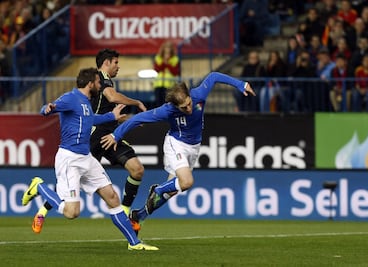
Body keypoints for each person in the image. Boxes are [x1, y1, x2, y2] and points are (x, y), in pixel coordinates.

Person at [21, 68, 158, 251]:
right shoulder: (70, 98)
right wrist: (48, 109)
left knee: (112, 197)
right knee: (72, 212)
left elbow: (90, 119)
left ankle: (135, 243)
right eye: (98, 82)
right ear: (90, 83)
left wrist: (112, 117)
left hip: (86, 158)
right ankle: (39, 187)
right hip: (70, 159)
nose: (100, 85)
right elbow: (49, 108)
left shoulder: (85, 102)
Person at [100, 72, 256, 226]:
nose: (188, 108)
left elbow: (214, 76)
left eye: (189, 103)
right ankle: (158, 189)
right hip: (176, 144)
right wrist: (116, 135)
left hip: (194, 147)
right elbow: (138, 118)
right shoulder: (167, 110)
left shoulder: (198, 95)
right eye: (183, 107)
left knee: (173, 190)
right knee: (186, 182)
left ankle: (139, 216)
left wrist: (241, 84)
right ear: (175, 105)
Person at [32, 49, 146, 234]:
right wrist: (137, 102)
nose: (118, 66)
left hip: (109, 134)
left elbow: (103, 115)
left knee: (137, 169)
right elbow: (112, 97)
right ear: (106, 63)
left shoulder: (99, 87)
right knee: (69, 182)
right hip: (92, 137)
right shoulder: (100, 78)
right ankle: (43, 210)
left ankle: (124, 212)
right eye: (116, 62)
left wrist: (131, 120)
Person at [153, 41, 180, 108]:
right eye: (166, 48)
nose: (167, 50)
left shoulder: (175, 59)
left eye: (169, 48)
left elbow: (175, 72)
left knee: (168, 103)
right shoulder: (158, 58)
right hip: (158, 84)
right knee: (158, 102)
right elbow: (157, 69)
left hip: (169, 85)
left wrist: (168, 63)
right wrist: (164, 61)